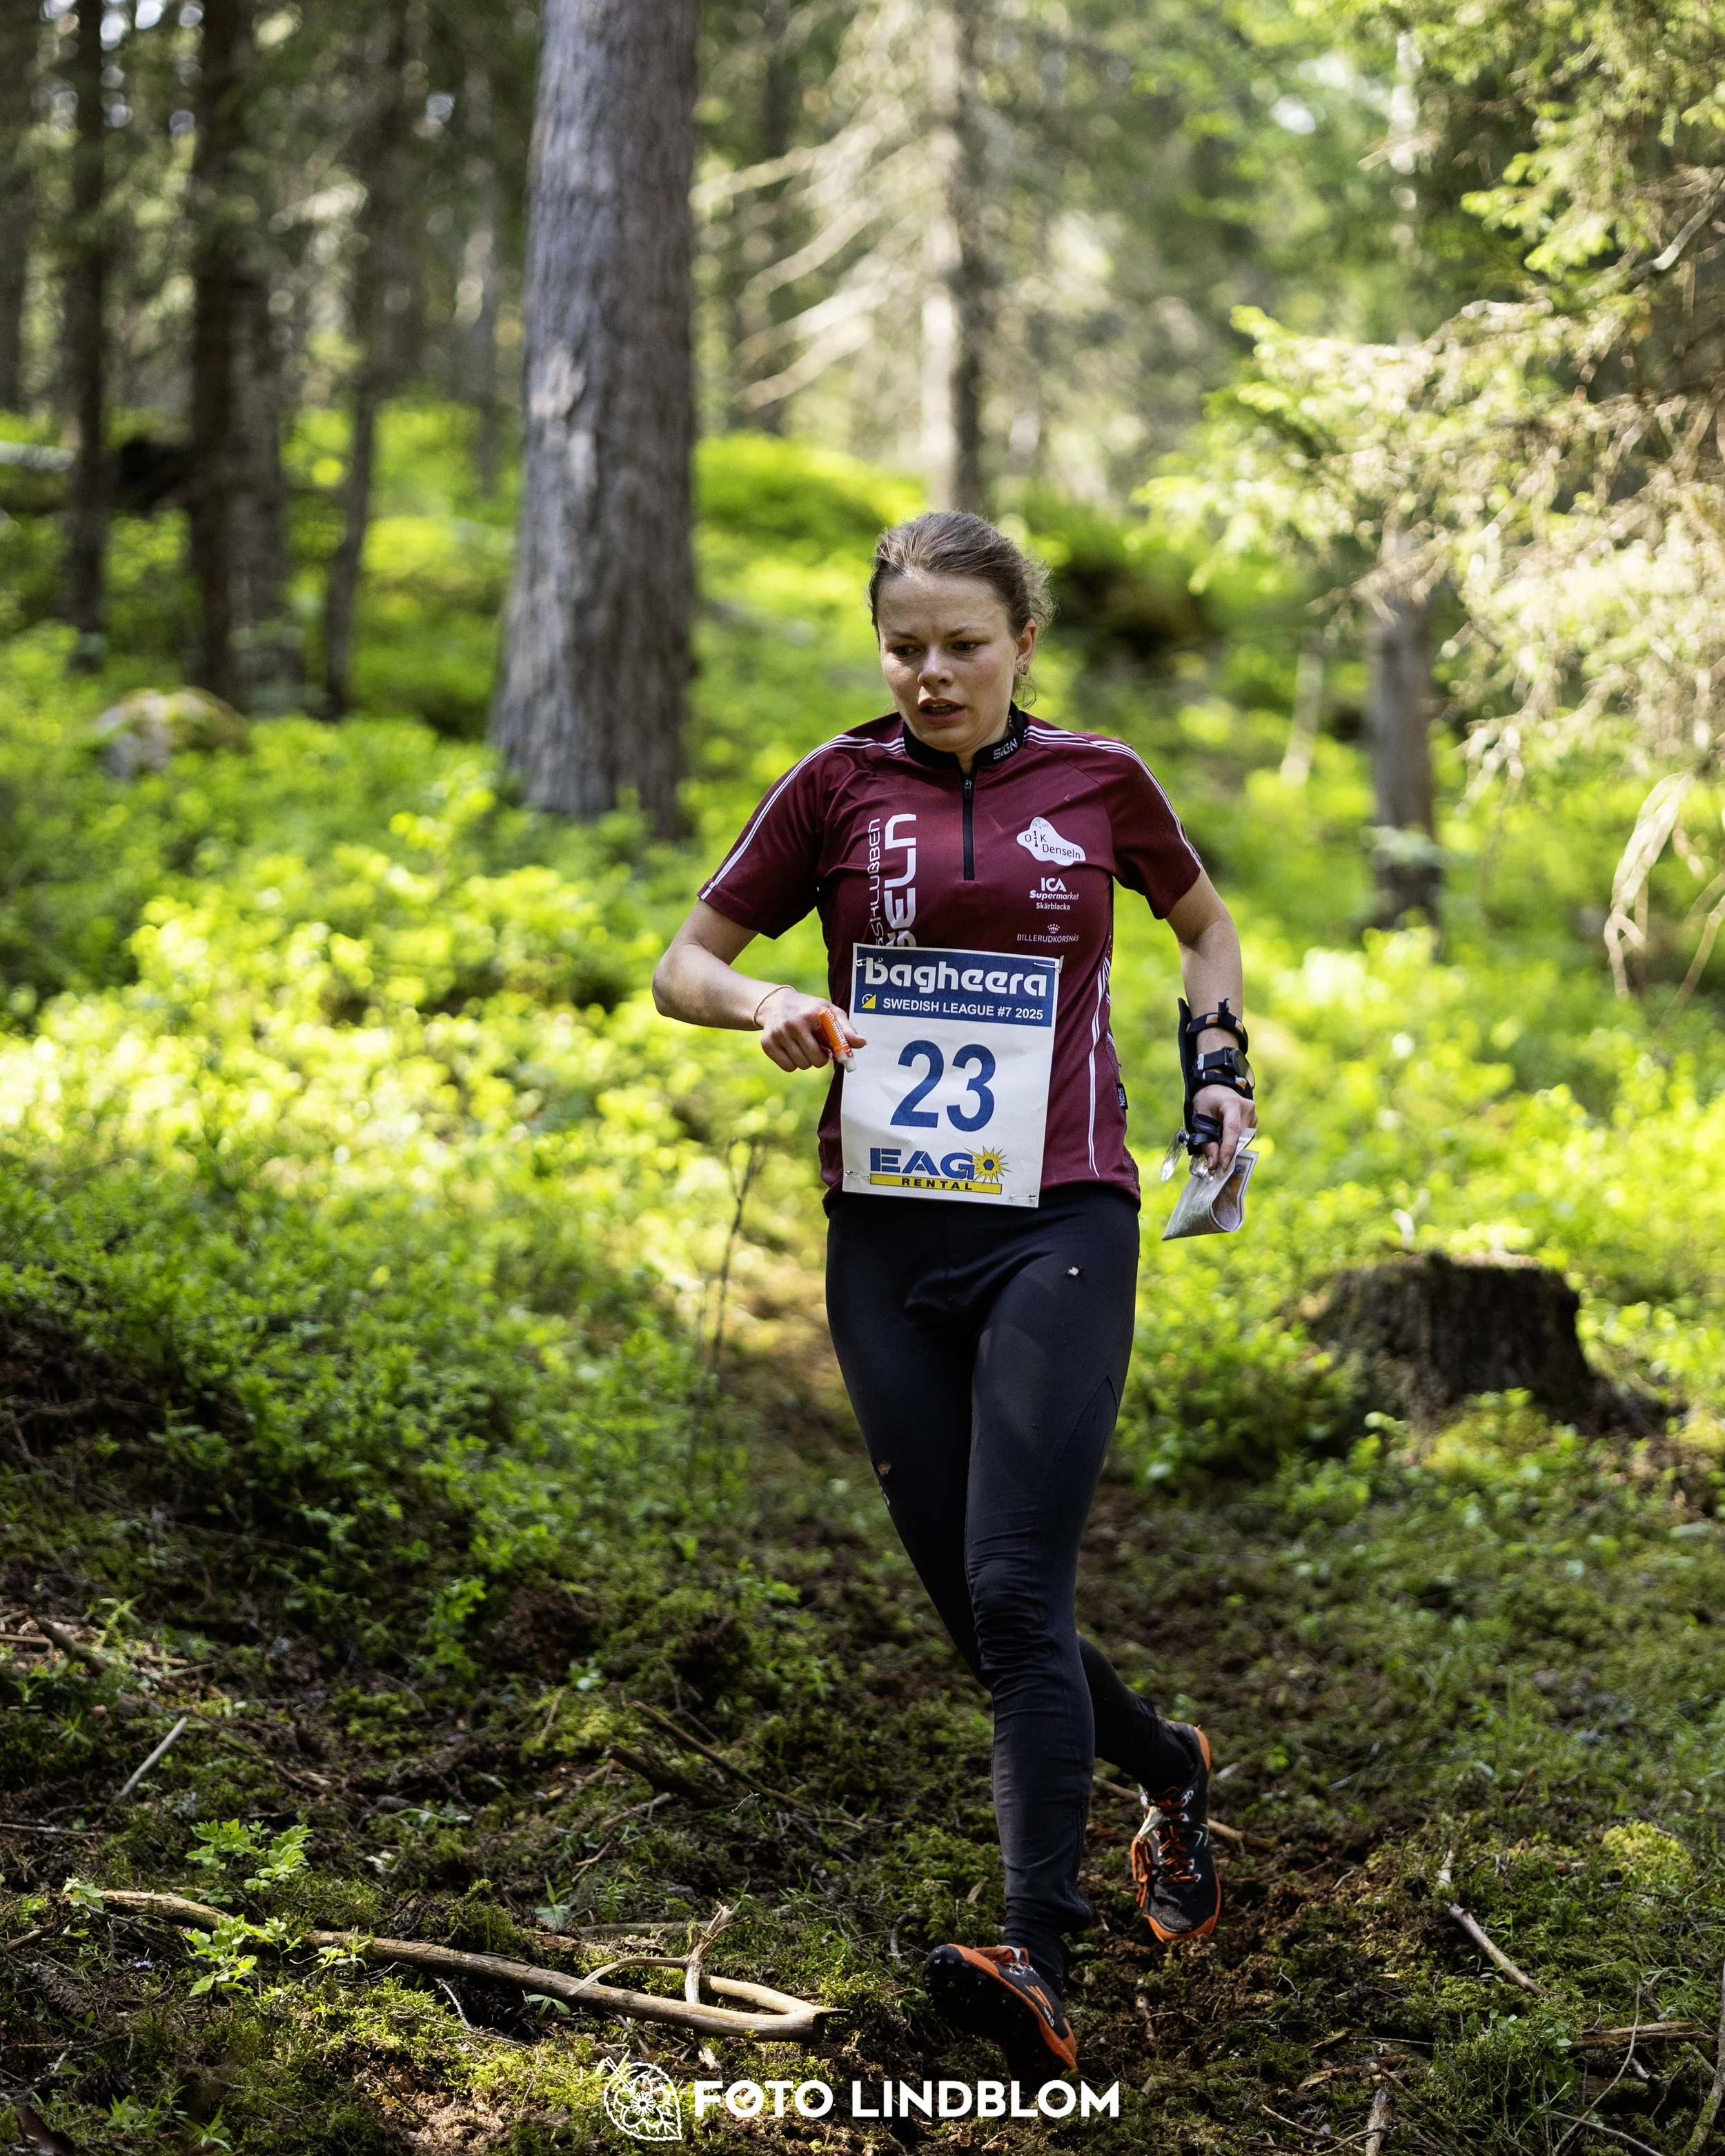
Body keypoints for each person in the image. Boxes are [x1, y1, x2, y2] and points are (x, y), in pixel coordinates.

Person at [653, 511, 1256, 2078]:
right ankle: (1169, 1765)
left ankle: (1036, 1951)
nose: (932, 674)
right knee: (983, 1618)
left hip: (1061, 1212)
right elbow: (681, 963)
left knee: (1011, 1588)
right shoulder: (834, 787)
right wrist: (766, 999)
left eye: (963, 645)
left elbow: (1202, 928)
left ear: (1022, 644)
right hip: (884, 1237)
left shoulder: (1101, 781)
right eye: (904, 647)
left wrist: (1218, 1072)